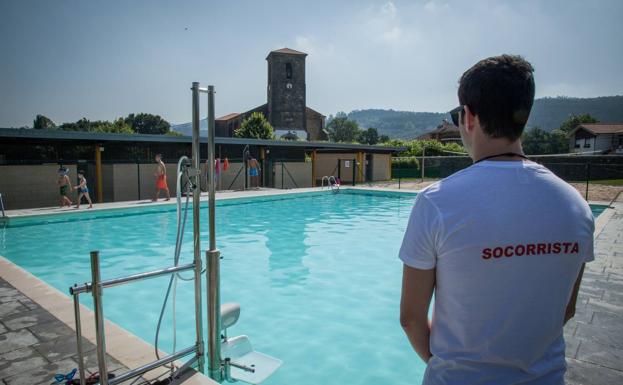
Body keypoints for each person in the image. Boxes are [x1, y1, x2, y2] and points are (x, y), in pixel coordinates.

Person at [399, 55, 594, 385]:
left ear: (469, 117)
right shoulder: (576, 205)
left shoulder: (437, 202)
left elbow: (411, 318)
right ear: (524, 115)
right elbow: (566, 309)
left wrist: (446, 366)